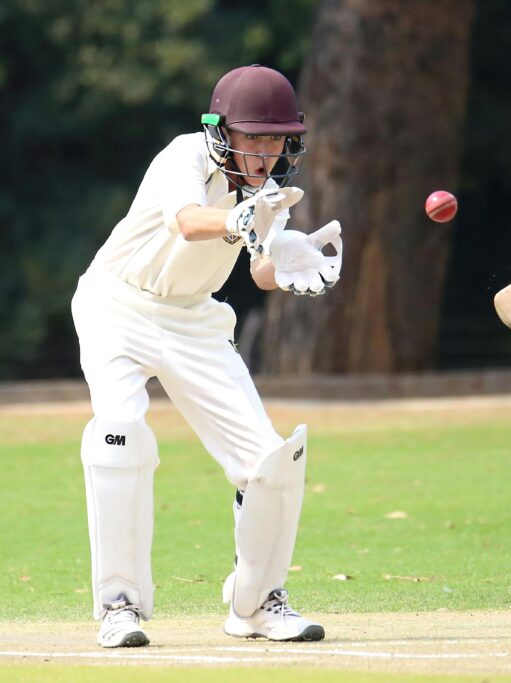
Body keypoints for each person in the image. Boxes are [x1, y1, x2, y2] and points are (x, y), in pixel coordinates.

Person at [72, 65, 343, 648]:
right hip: (117, 305)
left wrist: (292, 262)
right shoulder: (184, 156)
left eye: (278, 140)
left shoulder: (269, 192)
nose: (266, 154)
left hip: (194, 319)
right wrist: (237, 218)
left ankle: (257, 603)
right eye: (255, 138)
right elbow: (188, 222)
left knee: (269, 461)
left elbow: (261, 266)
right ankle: (119, 605)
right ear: (222, 131)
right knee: (119, 436)